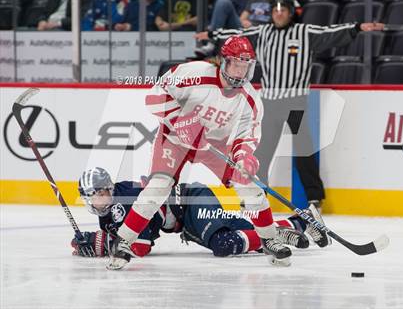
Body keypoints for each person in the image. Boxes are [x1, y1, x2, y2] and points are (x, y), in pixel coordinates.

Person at [106, 36, 329, 270]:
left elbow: (246, 136)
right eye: (236, 64)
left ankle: (269, 238)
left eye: (246, 66)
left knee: (249, 185)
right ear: (222, 61)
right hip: (173, 139)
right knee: (158, 187)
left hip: (214, 144)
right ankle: (123, 241)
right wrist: (181, 120)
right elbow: (154, 96)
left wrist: (244, 157)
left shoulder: (250, 100)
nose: (241, 72)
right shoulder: (194, 73)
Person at [195, 0, 385, 212]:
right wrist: (212, 35)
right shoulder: (262, 32)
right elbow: (237, 35)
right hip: (269, 102)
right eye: (275, 10)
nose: (278, 13)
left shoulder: (305, 32)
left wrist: (357, 27)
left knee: (304, 150)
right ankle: (256, 194)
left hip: (295, 102)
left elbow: (329, 32)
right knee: (261, 153)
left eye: (282, 10)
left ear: (290, 13)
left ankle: (314, 198)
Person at [73, 168, 321, 259]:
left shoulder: (123, 198)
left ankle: (276, 234)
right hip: (187, 217)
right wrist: (88, 240)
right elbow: (117, 236)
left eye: (106, 189)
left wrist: (99, 244)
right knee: (239, 230)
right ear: (88, 199)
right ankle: (301, 222)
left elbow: (140, 246)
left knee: (224, 245)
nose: (105, 195)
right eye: (98, 193)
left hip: (191, 201)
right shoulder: (106, 215)